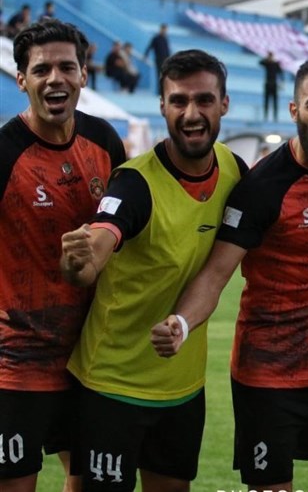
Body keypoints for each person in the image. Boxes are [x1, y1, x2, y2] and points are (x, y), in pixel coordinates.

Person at [150, 57, 308, 491]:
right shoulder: (262, 187)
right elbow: (216, 274)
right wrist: (181, 321)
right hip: (266, 374)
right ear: (294, 111)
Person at [59, 49, 247, 492]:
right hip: (112, 385)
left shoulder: (233, 171)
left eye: (204, 100)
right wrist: (79, 261)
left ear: (224, 104)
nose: (191, 113)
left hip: (182, 388)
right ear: (162, 106)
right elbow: (101, 239)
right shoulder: (134, 183)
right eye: (178, 101)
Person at [1, 19, 126, 492]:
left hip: (91, 358)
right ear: (21, 80)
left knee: (92, 484)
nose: (56, 78)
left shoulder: (104, 141)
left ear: (84, 75)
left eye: (67, 67)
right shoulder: (4, 153)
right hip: (17, 362)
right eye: (41, 70)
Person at [144, 24, 171, 94]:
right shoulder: (156, 38)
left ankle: (165, 90)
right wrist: (145, 55)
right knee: (159, 75)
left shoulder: (165, 39)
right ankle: (159, 91)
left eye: (165, 30)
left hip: (166, 60)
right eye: (163, 29)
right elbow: (149, 47)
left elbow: (167, 50)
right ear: (160, 29)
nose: (164, 31)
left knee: (165, 76)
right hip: (159, 60)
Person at [259, 51, 282, 120]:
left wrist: (281, 83)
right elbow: (260, 62)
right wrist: (267, 59)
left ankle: (275, 116)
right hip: (268, 84)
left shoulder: (276, 64)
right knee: (266, 100)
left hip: (274, 84)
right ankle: (265, 116)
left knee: (275, 101)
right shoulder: (267, 64)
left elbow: (280, 72)